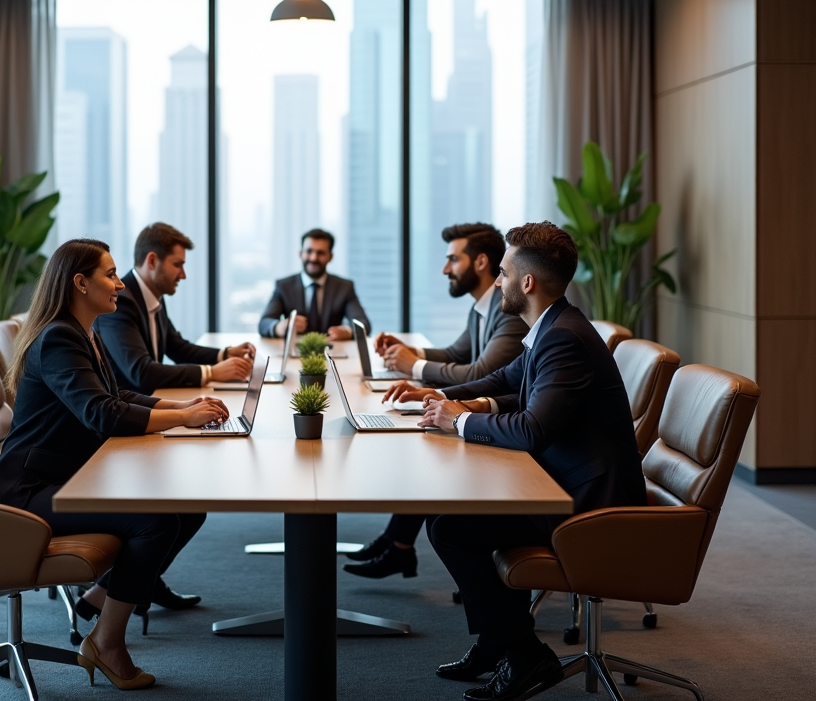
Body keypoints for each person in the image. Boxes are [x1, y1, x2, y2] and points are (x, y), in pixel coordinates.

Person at [401, 222, 645, 701]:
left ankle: (522, 652)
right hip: (564, 479)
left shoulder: (565, 338)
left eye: (505, 272)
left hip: (589, 504)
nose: (498, 281)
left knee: (451, 527)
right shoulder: (552, 325)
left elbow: (534, 428)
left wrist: (458, 422)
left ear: (527, 283)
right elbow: (504, 381)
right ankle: (497, 644)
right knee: (451, 517)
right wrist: (436, 397)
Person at [0, 238, 230, 690]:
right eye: (110, 275)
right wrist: (181, 417)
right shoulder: (59, 337)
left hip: (70, 475)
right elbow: (101, 413)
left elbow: (119, 396)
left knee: (186, 506)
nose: (120, 284)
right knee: (155, 521)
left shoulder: (84, 331)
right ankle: (106, 641)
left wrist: (184, 405)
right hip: (32, 490)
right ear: (80, 283)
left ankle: (102, 596)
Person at [343, 223, 527, 579]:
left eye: (452, 260)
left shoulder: (508, 310)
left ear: (481, 262)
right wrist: (412, 353)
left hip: (505, 432)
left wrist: (416, 366)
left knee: (426, 447)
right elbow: (458, 352)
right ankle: (396, 543)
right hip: (489, 412)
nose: (445, 269)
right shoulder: (482, 307)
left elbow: (479, 372)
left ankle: (397, 545)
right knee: (425, 437)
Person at [96, 223, 255, 394]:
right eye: (177, 264)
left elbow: (177, 347)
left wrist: (226, 354)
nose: (183, 274)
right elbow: (142, 372)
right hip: (128, 412)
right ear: (152, 261)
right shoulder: (120, 303)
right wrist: (211, 372)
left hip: (150, 403)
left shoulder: (153, 295)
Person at [258, 228, 371, 340]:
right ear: (300, 253)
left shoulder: (344, 287)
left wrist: (348, 332)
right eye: (309, 251)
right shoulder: (284, 286)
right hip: (294, 353)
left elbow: (364, 324)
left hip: (333, 353)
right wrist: (280, 327)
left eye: (320, 253)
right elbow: (264, 323)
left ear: (330, 257)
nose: (313, 258)